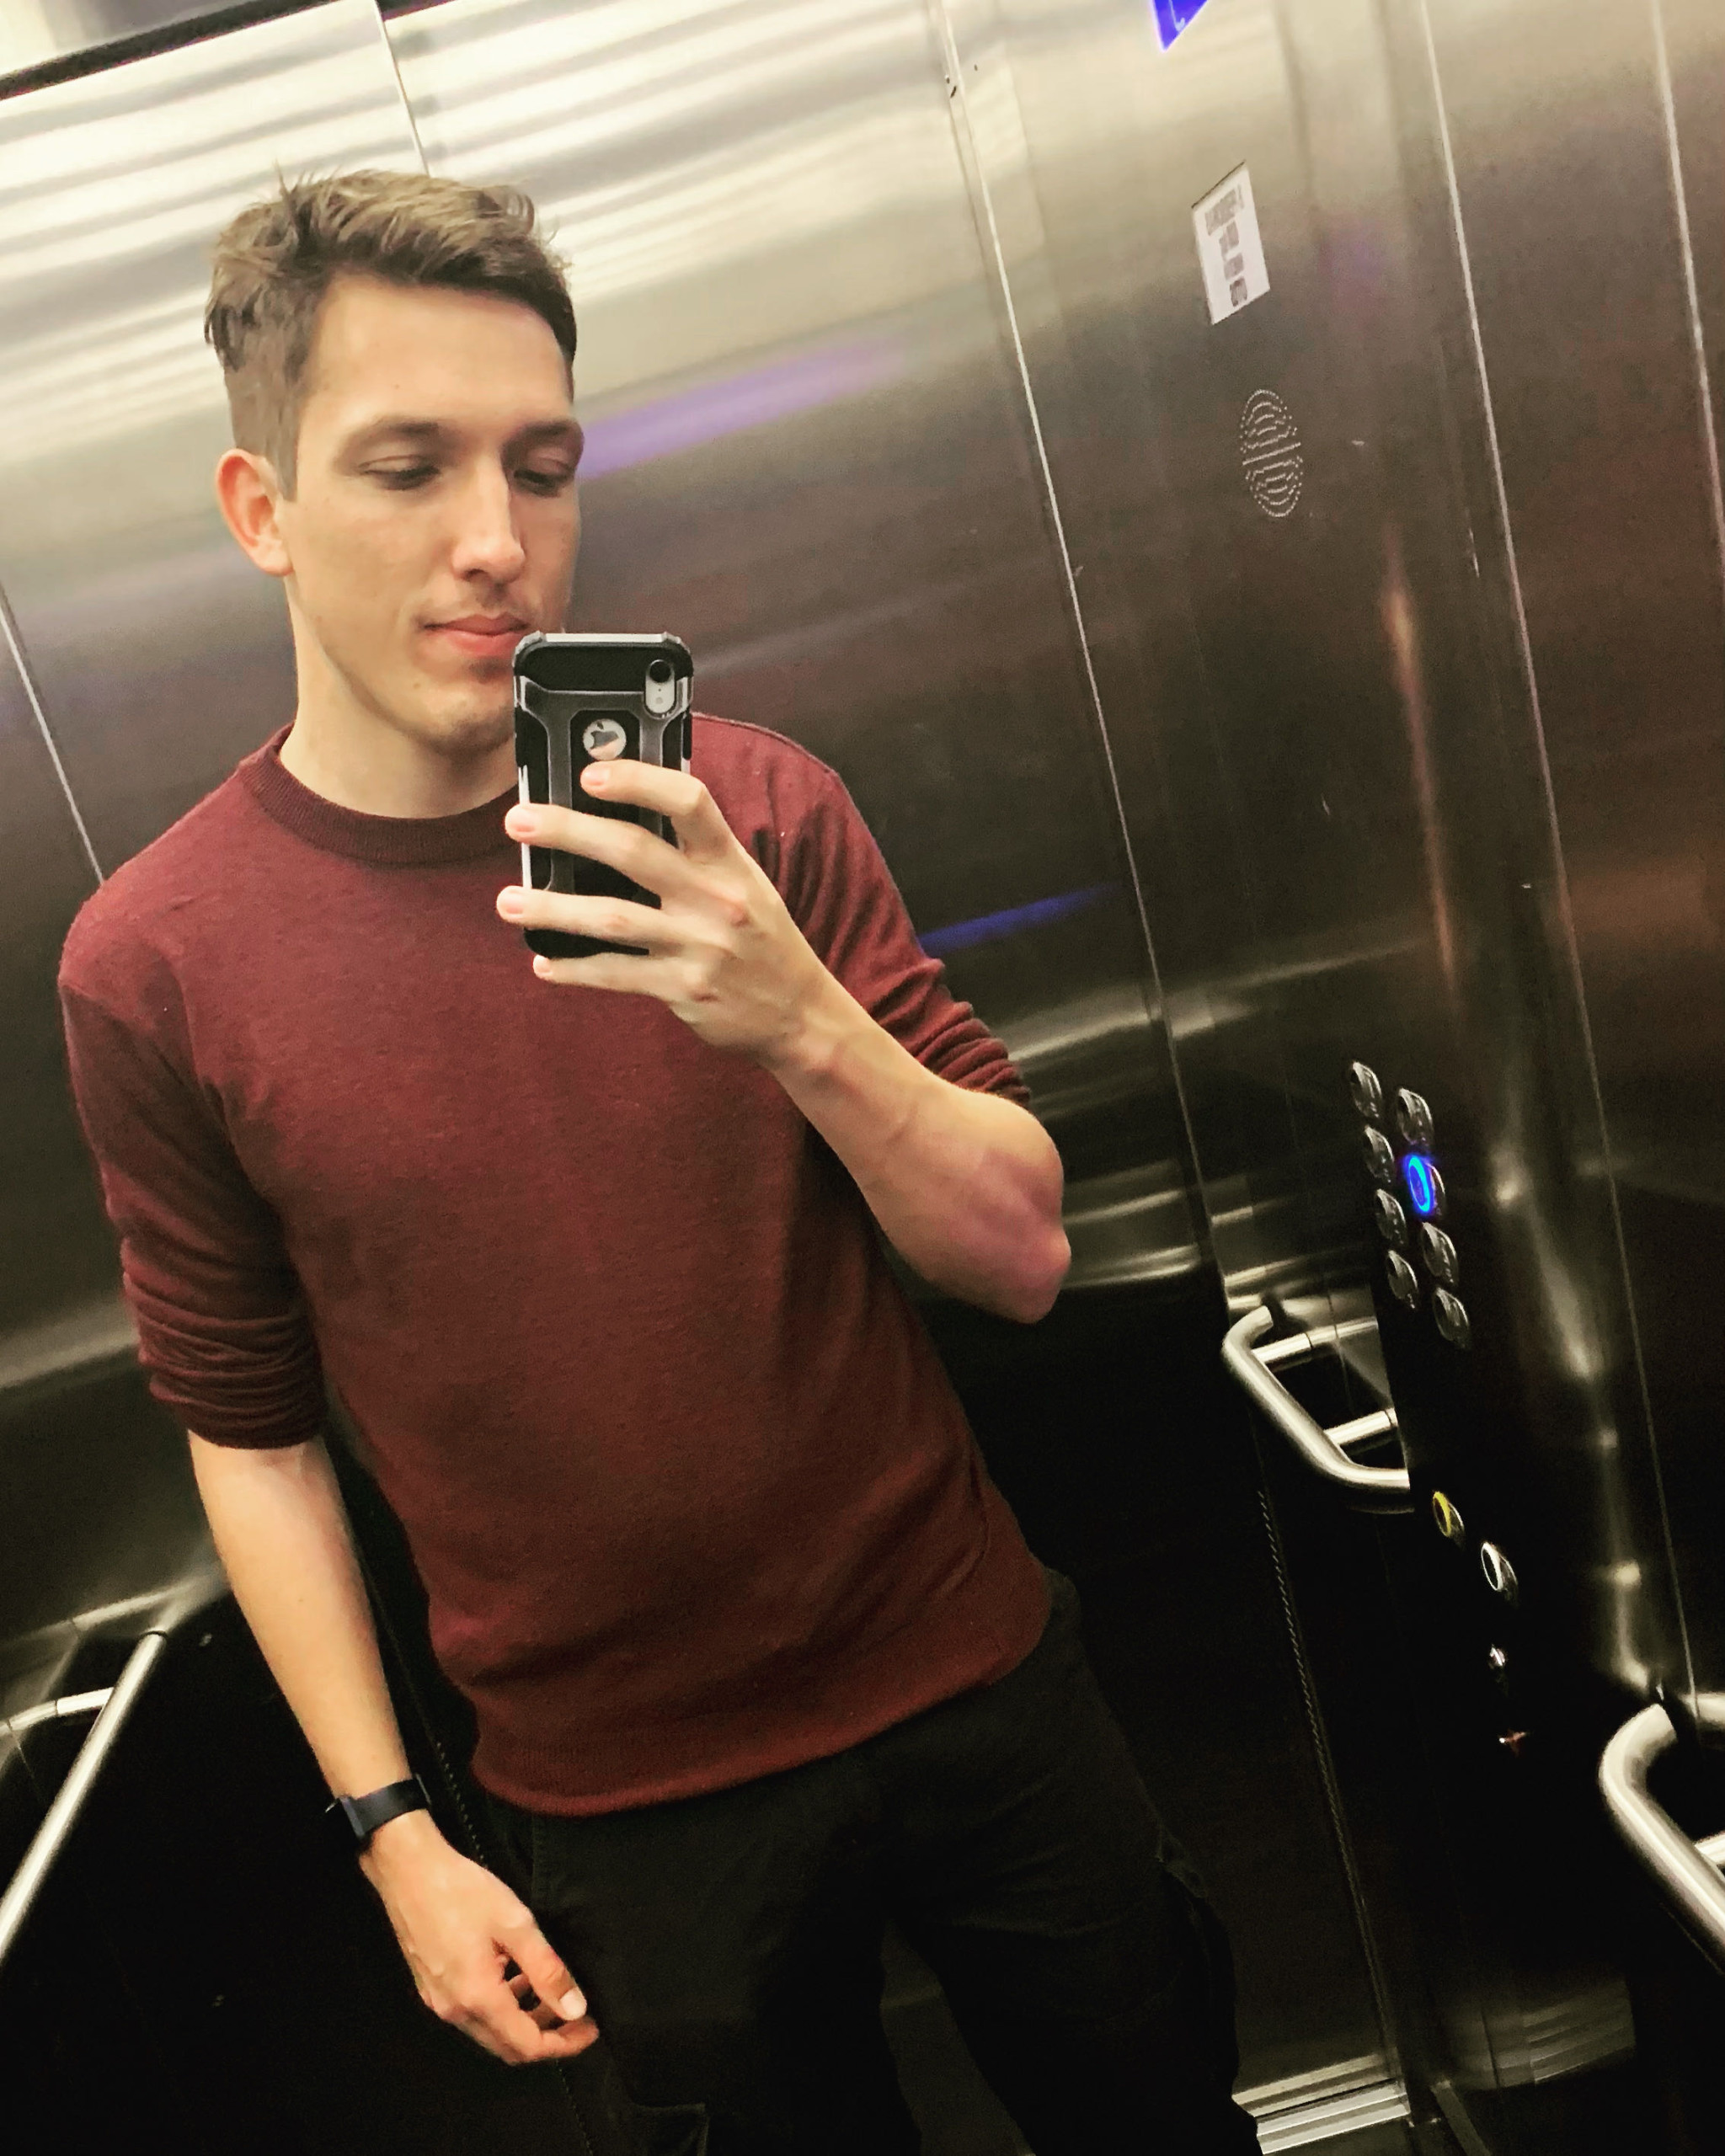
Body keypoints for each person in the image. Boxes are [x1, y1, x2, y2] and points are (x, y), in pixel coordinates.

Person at [58, 171, 1259, 2155]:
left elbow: (1022, 1253)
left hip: (978, 1683)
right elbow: (249, 1432)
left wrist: (795, 1014)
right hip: (619, 1804)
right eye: (406, 468)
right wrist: (393, 1832)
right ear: (260, 509)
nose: (495, 541)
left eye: (542, 468)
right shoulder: (156, 965)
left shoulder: (752, 816)